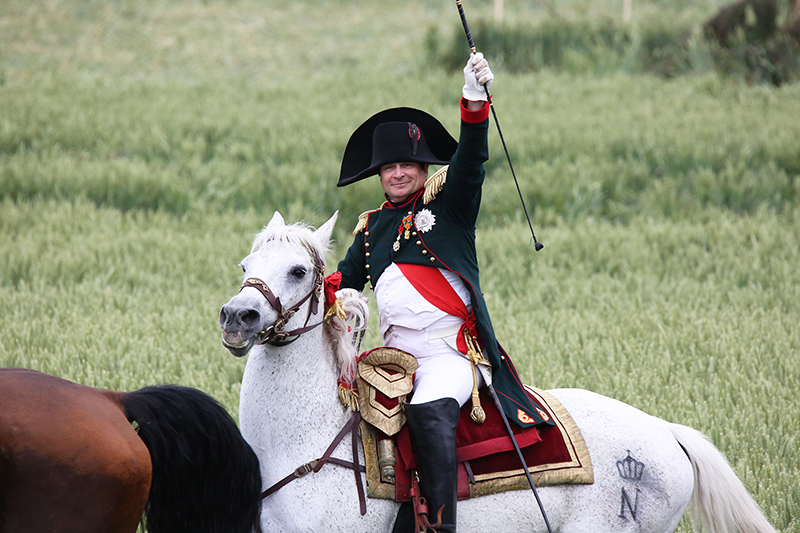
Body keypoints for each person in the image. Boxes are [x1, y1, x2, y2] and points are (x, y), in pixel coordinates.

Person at [335, 53, 552, 533]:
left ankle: (441, 529)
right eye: (388, 167)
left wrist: (474, 100)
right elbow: (341, 283)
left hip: (446, 355)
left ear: (420, 166)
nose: (397, 174)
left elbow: (471, 159)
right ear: (379, 174)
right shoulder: (370, 230)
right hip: (392, 359)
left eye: (406, 165)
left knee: (429, 411)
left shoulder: (448, 203)